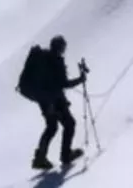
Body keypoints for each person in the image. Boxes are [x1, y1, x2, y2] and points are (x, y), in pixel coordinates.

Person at [26, 35, 87, 170]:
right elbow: (63, 83)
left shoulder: (44, 59)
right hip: (55, 100)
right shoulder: (56, 61)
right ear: (60, 47)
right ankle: (65, 155)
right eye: (63, 47)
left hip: (44, 100)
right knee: (69, 124)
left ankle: (40, 158)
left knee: (52, 127)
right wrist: (80, 79)